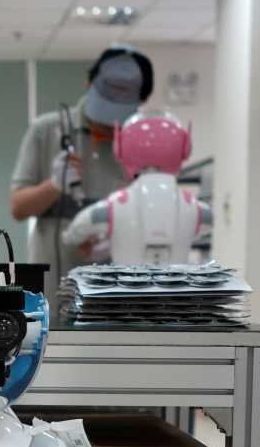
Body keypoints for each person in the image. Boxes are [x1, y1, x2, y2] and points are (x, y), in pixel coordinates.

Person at [9, 46, 153, 302]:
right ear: (88, 84)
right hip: (51, 293)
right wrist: (53, 185)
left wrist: (113, 237)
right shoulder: (47, 131)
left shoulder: (142, 143)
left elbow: (154, 219)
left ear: (139, 102)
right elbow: (18, 208)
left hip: (114, 294)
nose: (107, 124)